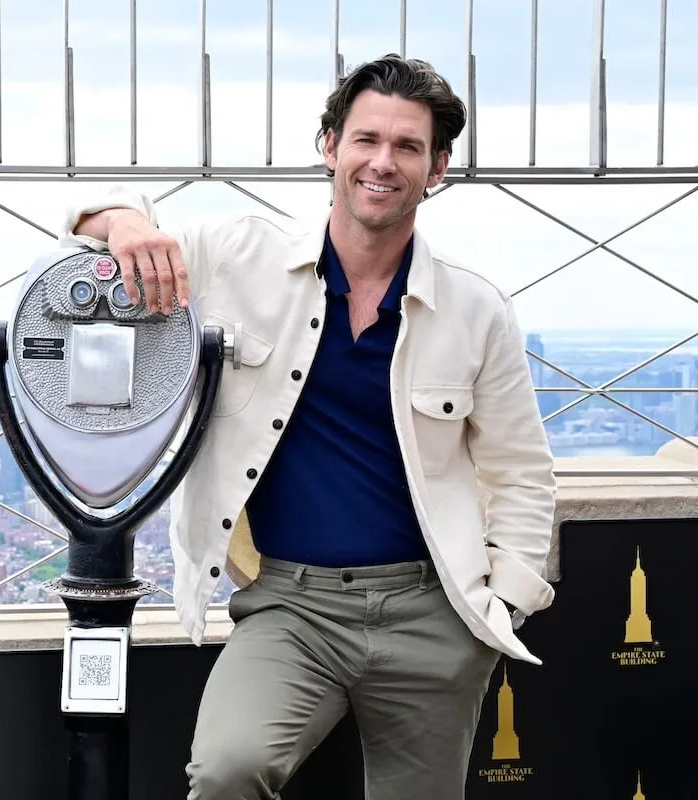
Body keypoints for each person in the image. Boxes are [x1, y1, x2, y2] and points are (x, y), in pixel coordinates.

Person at [57, 54, 557, 799]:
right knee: (228, 770)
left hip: (433, 608)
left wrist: (500, 604)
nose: (382, 163)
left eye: (408, 147)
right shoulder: (239, 257)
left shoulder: (475, 308)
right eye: (366, 139)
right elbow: (84, 228)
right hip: (292, 605)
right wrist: (129, 221)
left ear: (438, 167)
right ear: (330, 146)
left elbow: (521, 470)